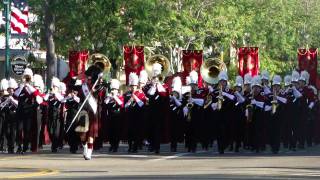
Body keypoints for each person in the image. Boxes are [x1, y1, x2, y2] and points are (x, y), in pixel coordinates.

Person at [15, 69, 44, 154]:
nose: (26, 78)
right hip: (20, 111)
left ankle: (25, 146)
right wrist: (22, 85)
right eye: (25, 77)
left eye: (28, 77)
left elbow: (36, 94)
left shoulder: (32, 88)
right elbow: (15, 95)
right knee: (19, 129)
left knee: (27, 129)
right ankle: (19, 145)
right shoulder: (20, 87)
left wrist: (28, 85)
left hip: (29, 111)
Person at [144, 63, 170, 154]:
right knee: (150, 129)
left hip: (160, 112)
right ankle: (151, 145)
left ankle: (157, 147)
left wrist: (158, 85)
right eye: (155, 77)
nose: (156, 78)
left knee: (157, 130)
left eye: (158, 77)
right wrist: (153, 85)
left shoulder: (165, 87)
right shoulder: (150, 87)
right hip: (151, 111)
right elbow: (148, 94)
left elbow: (164, 95)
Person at [182, 70, 205, 153]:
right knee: (188, 130)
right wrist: (185, 107)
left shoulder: (200, 92)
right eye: (191, 85)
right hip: (188, 113)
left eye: (194, 85)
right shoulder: (186, 93)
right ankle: (188, 145)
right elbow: (183, 102)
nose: (192, 86)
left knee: (195, 130)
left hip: (196, 113)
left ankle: (193, 146)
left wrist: (193, 100)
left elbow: (202, 102)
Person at [124, 72, 147, 153]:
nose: (133, 87)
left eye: (135, 86)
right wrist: (130, 101)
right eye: (132, 86)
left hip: (138, 115)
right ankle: (130, 146)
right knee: (130, 132)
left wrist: (136, 98)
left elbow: (142, 104)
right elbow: (124, 106)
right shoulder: (127, 94)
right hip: (130, 116)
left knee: (137, 132)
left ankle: (135, 147)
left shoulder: (141, 93)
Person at [268, 75, 287, 154]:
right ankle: (272, 146)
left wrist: (277, 97)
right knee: (271, 132)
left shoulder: (282, 94)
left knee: (278, 132)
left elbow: (285, 101)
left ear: (280, 87)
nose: (275, 87)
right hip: (271, 116)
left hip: (280, 116)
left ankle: (276, 147)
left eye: (277, 86)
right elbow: (266, 104)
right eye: (274, 86)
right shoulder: (269, 95)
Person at [104, 79, 124, 152]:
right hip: (110, 116)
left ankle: (116, 145)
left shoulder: (120, 96)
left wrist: (115, 97)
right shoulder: (109, 97)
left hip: (117, 116)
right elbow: (105, 104)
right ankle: (112, 145)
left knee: (116, 132)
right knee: (110, 131)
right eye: (112, 89)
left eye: (115, 89)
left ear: (117, 90)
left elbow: (121, 104)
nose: (113, 90)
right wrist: (109, 97)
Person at [169, 76, 184, 152]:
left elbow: (181, 106)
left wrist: (175, 99)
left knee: (176, 132)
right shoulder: (170, 99)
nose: (174, 94)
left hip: (178, 118)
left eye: (176, 93)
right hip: (171, 118)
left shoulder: (181, 99)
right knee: (172, 133)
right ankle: (173, 146)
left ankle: (176, 144)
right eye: (173, 93)